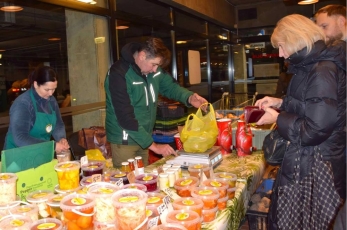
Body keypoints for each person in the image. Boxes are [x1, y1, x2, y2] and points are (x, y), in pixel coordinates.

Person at [254, 14, 346, 229]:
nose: (280, 53)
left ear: (296, 39)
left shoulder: (322, 70)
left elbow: (314, 130)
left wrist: (277, 117)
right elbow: (312, 104)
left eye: (282, 46)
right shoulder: (312, 65)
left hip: (317, 166)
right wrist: (280, 102)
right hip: (310, 160)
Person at [105, 37, 207, 168]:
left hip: (145, 136)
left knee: (144, 179)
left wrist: (189, 97)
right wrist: (154, 146)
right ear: (142, 56)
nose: (155, 70)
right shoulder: (119, 74)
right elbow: (125, 117)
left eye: (157, 66)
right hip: (125, 139)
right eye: (154, 64)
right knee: (128, 182)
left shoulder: (153, 71)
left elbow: (171, 87)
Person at [4, 66, 70, 154]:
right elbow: (20, 138)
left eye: (53, 89)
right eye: (47, 89)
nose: (50, 93)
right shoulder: (23, 103)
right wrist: (52, 146)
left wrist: (61, 138)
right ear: (35, 84)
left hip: (41, 152)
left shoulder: (51, 100)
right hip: (18, 157)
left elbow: (58, 124)